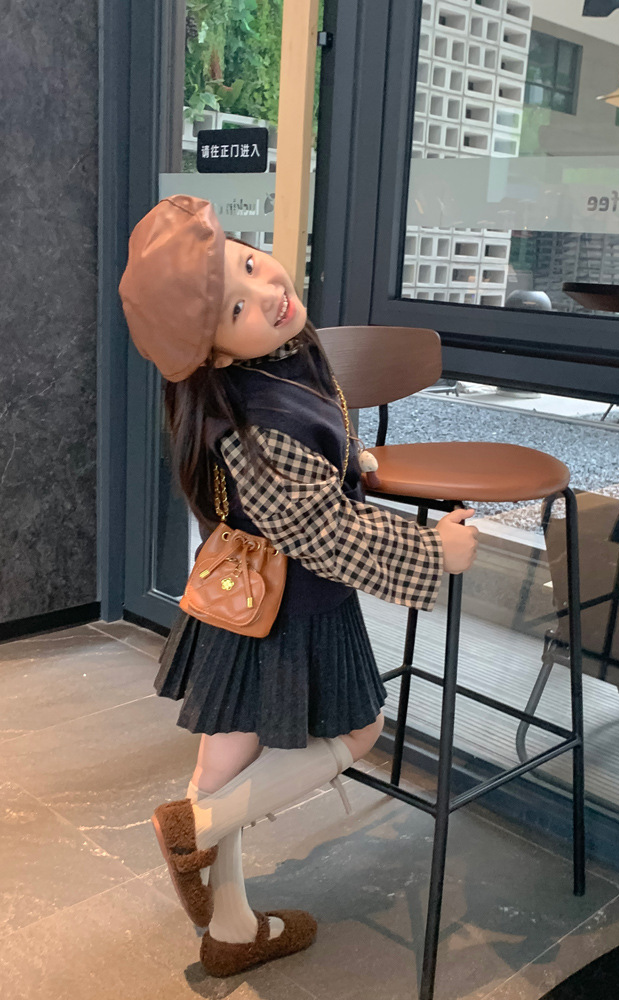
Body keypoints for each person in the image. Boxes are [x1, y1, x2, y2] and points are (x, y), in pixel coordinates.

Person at [118, 195, 478, 978]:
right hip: (292, 614)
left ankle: (232, 928)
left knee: (227, 760)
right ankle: (197, 828)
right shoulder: (255, 424)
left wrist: (350, 460)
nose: (267, 290)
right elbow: (326, 533)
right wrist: (434, 550)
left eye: (250, 263)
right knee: (358, 732)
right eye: (236, 307)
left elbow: (317, 445)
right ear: (215, 355)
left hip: (242, 605)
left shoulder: (269, 361)